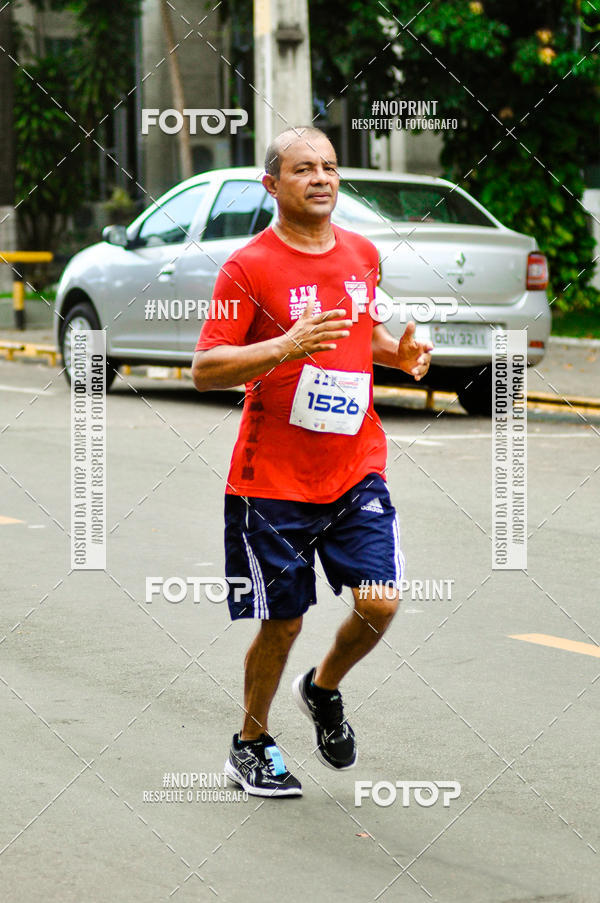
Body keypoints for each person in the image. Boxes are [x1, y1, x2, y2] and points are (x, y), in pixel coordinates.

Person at [191, 126, 432, 798]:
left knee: (380, 600)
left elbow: (362, 335)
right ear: (272, 185)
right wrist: (284, 346)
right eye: (303, 169)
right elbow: (206, 368)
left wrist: (398, 354)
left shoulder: (361, 254)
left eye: (329, 166)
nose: (321, 178)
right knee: (284, 620)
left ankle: (322, 689)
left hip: (355, 466)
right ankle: (250, 744)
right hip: (271, 480)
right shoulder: (247, 268)